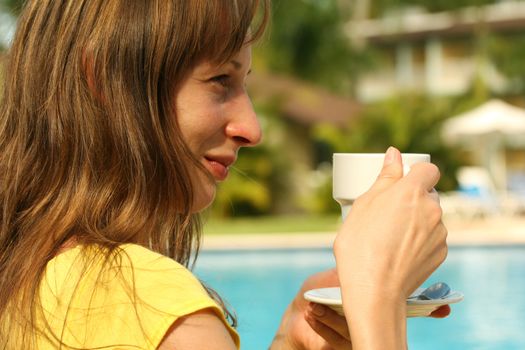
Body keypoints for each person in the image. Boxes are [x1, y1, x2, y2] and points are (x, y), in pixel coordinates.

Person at [0, 0, 449, 349]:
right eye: (219, 80)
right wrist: (378, 299)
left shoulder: (29, 273)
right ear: (105, 81)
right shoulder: (152, 309)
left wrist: (288, 341)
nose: (251, 129)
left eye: (245, 84)